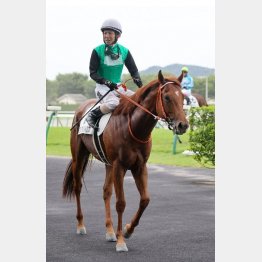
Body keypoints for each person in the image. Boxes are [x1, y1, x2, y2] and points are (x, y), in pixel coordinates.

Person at [87, 18, 143, 129]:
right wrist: (106, 81)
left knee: (138, 100)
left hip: (117, 86)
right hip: (102, 87)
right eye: (105, 33)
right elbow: (92, 73)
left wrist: (138, 80)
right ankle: (92, 115)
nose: (106, 36)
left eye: (110, 33)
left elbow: (134, 70)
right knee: (114, 103)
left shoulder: (124, 51)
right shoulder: (97, 51)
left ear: (118, 35)